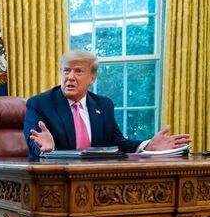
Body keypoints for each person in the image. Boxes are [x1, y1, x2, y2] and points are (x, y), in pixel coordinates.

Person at [24, 50, 191, 158]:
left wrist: (147, 145)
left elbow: (118, 142)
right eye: (66, 70)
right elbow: (35, 143)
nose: (70, 77)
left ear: (92, 78)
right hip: (54, 182)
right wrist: (45, 149)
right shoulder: (39, 104)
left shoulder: (103, 105)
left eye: (78, 71)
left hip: (95, 180)